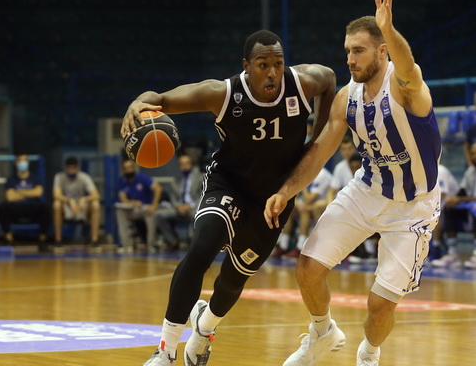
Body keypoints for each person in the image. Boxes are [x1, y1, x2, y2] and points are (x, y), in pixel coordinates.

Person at [121, 29, 336, 365]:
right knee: (203, 246)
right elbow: (160, 99)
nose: (273, 73)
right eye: (263, 65)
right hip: (230, 184)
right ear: (246, 66)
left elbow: (330, 79)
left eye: (278, 64)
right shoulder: (221, 93)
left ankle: (204, 331)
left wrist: (315, 140)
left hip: (274, 197)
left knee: (234, 280)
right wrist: (139, 101)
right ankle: (165, 351)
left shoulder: (304, 82)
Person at [264, 0, 441, 366]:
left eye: (358, 50)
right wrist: (286, 190)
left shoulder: (406, 87)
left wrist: (389, 30)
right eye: (347, 50)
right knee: (308, 268)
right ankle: (322, 331)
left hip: (412, 206)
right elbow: (319, 152)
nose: (349, 58)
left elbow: (408, 65)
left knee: (380, 305)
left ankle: (369, 353)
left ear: (382, 51)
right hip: (366, 190)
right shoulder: (347, 98)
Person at [274, 167, 333, 258]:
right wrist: (298, 204)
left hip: (318, 206)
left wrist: (304, 184)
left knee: (304, 212)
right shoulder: (302, 171)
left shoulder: (322, 175)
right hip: (305, 205)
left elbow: (309, 199)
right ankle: (283, 245)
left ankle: (300, 247)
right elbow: (293, 195)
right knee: (290, 209)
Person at [0, 153, 50, 251]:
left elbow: (38, 193)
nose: (22, 163)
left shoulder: (35, 178)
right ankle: (9, 240)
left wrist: (19, 192)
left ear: (28, 162)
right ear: (16, 163)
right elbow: (10, 197)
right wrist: (30, 192)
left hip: (32, 208)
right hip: (16, 209)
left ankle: (42, 240)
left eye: (25, 160)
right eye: (20, 160)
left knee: (46, 207)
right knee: (2, 207)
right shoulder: (11, 180)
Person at [154, 154, 204, 251]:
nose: (184, 166)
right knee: (158, 214)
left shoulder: (201, 178)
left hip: (194, 208)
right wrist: (178, 206)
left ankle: (193, 242)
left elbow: (203, 196)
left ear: (192, 164)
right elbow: (173, 198)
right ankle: (173, 241)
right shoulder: (175, 180)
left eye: (186, 163)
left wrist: (190, 206)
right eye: (181, 164)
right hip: (178, 209)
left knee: (197, 215)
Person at [52, 156, 101, 252]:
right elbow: (56, 194)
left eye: (73, 167)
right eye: (69, 168)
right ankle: (58, 241)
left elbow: (96, 195)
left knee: (95, 204)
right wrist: (69, 201)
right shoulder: (59, 177)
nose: (71, 170)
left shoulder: (84, 177)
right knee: (56, 204)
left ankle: (94, 241)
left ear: (77, 167)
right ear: (66, 168)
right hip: (67, 207)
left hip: (81, 207)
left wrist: (84, 199)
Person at [115, 159, 162, 253]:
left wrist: (154, 205)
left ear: (134, 169)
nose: (128, 170)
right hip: (132, 209)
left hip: (145, 207)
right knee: (120, 211)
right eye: (125, 169)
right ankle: (126, 244)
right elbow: (123, 199)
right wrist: (133, 202)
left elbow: (158, 189)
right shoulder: (121, 181)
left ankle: (151, 244)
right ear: (123, 171)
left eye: (129, 168)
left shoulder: (143, 178)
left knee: (150, 212)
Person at [429, 163, 460, 261]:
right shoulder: (422, 171)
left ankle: (435, 248)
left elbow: (442, 194)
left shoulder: (440, 170)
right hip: (440, 202)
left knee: (435, 213)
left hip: (454, 205)